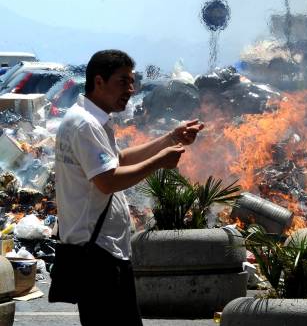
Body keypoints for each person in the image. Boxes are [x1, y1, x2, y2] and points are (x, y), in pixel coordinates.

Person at [54, 49, 203, 325]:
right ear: (99, 81)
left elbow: (118, 160)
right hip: (97, 254)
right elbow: (108, 180)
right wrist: (159, 162)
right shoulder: (85, 125)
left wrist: (170, 139)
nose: (131, 90)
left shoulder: (91, 120)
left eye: (132, 82)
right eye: (123, 82)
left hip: (105, 252)